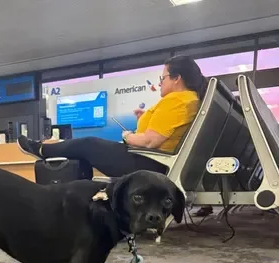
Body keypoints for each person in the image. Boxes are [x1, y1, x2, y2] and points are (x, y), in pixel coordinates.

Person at [18, 55, 207, 180]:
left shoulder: (176, 100)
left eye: (162, 78)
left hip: (147, 162)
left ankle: (42, 149)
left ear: (177, 78)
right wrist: (145, 118)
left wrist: (127, 136)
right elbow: (164, 131)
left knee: (88, 144)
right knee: (85, 151)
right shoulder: (190, 100)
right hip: (152, 160)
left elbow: (150, 141)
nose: (160, 83)